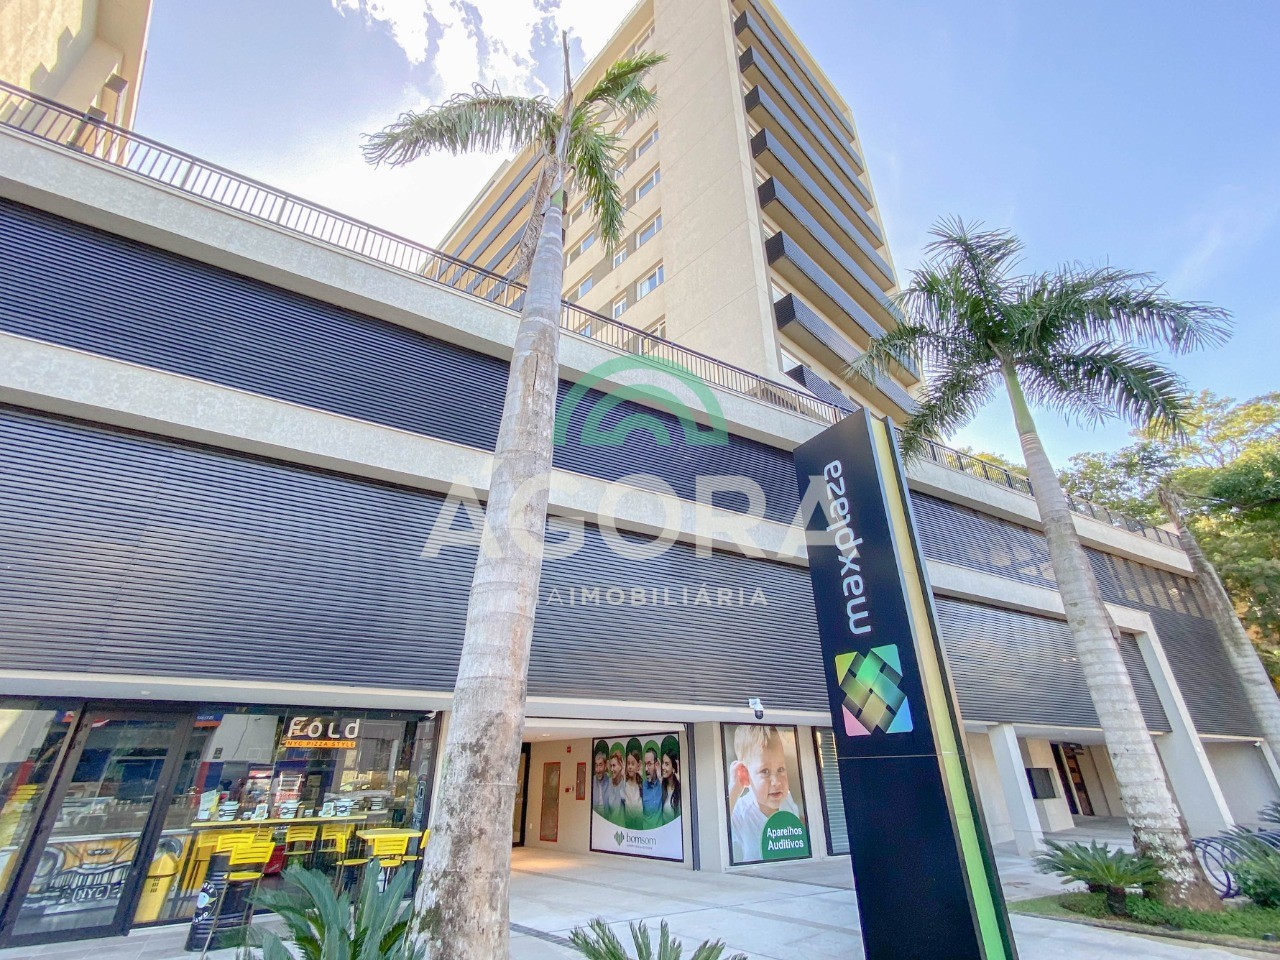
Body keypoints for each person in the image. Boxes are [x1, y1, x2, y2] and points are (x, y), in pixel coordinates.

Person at [728, 725, 802, 863]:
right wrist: (733, 790)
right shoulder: (740, 812)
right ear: (745, 774)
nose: (776, 782)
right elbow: (714, 833)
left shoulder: (787, 799)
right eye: (765, 771)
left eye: (781, 769)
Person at [599, 742, 626, 825]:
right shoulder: (608, 783)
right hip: (609, 826)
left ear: (621, 766)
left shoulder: (625, 783)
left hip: (622, 827)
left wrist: (624, 777)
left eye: (614, 766)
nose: (611, 769)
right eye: (610, 766)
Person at [622, 737, 644, 829]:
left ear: (638, 765)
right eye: (628, 763)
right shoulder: (624, 785)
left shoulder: (641, 785)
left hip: (640, 827)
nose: (630, 767)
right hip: (628, 828)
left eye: (633, 764)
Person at [640, 741, 663, 827]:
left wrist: (661, 780)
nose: (646, 769)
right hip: (647, 833)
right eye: (645, 764)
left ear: (656, 765)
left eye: (649, 764)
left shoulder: (663, 786)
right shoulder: (641, 788)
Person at [660, 735, 681, 823]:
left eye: (667, 764)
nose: (663, 767)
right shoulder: (661, 787)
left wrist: (680, 781)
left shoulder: (679, 788)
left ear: (673, 768)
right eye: (663, 763)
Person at [591, 740, 609, 814]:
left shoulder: (610, 782)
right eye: (596, 765)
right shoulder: (591, 782)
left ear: (605, 766)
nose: (598, 770)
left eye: (600, 765)